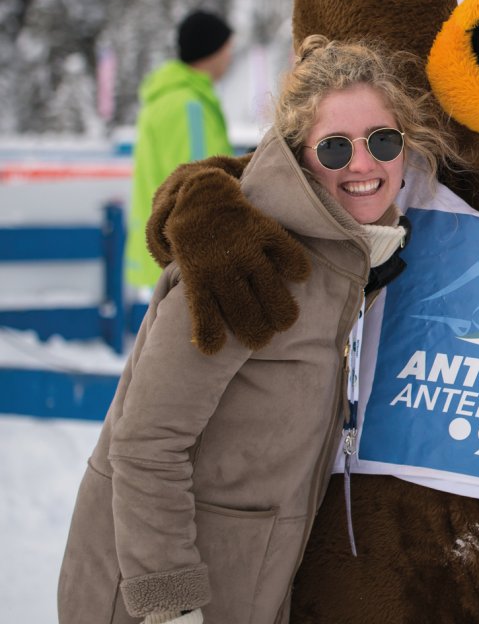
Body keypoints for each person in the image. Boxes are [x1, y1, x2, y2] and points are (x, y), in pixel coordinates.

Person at [58, 37, 457, 624]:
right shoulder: (243, 259)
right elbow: (146, 444)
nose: (363, 164)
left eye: (382, 141)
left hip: (246, 587)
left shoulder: (351, 262)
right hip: (151, 597)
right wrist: (170, 602)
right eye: (335, 147)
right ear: (298, 155)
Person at [124, 10, 237, 293]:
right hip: (183, 262)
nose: (230, 57)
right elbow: (199, 185)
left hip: (164, 254)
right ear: (212, 50)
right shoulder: (189, 106)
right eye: (227, 48)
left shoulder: (169, 97)